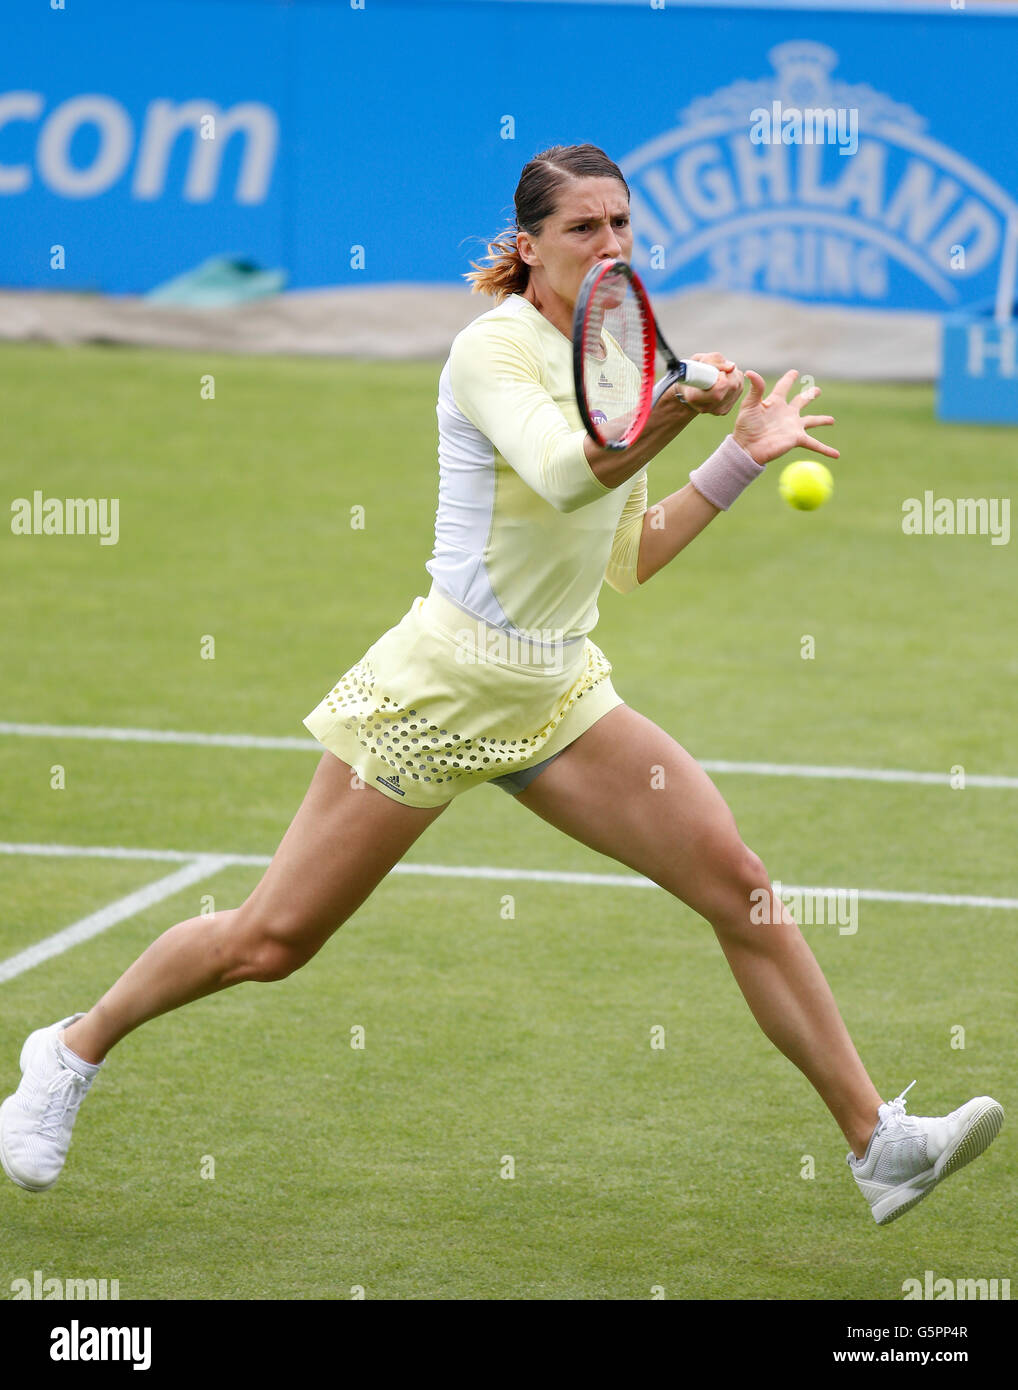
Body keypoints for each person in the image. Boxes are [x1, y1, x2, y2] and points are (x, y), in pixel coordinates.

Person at [1, 144, 1001, 1228]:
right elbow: (571, 470)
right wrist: (672, 405)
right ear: (528, 247)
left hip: (560, 693)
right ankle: (67, 1048)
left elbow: (633, 551)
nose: (610, 245)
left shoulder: (619, 356)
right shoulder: (494, 350)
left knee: (741, 884)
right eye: (583, 228)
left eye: (621, 224)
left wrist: (742, 454)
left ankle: (878, 1143)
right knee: (271, 942)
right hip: (439, 689)